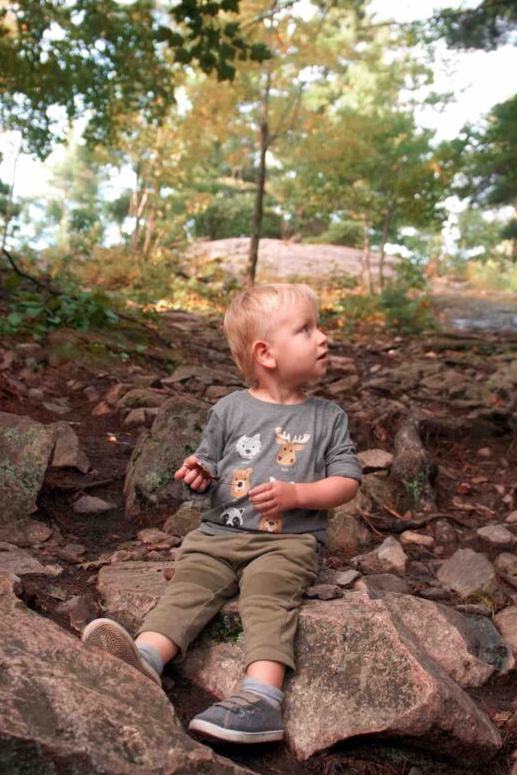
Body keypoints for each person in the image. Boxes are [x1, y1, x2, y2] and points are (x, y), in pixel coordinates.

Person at [83, 282, 362, 744]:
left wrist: (297, 496)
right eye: (306, 329)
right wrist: (197, 472)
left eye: (319, 327)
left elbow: (347, 483)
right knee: (190, 586)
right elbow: (209, 461)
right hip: (217, 535)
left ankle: (262, 700)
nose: (323, 337)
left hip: (287, 543)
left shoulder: (327, 417)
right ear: (266, 353)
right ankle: (144, 658)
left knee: (267, 596)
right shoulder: (230, 409)